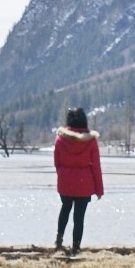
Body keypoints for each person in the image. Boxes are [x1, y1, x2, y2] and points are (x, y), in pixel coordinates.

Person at [52, 107, 103, 254]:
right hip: (84, 183)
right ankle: (76, 246)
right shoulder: (91, 140)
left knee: (65, 209)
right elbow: (96, 166)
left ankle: (59, 240)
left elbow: (57, 162)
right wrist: (99, 189)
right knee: (79, 217)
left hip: (65, 182)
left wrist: (62, 175)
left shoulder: (60, 138)